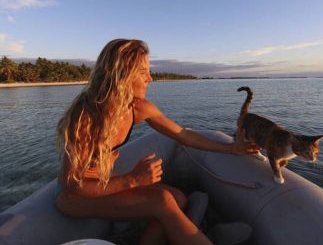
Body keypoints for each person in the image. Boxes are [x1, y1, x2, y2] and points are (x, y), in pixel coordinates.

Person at [55, 39, 259, 245]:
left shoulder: (137, 107)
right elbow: (73, 185)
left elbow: (183, 134)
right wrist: (132, 180)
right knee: (162, 201)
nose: (150, 78)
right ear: (122, 74)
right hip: (77, 198)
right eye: (143, 71)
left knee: (178, 198)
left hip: (107, 184)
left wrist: (231, 148)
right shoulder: (86, 118)